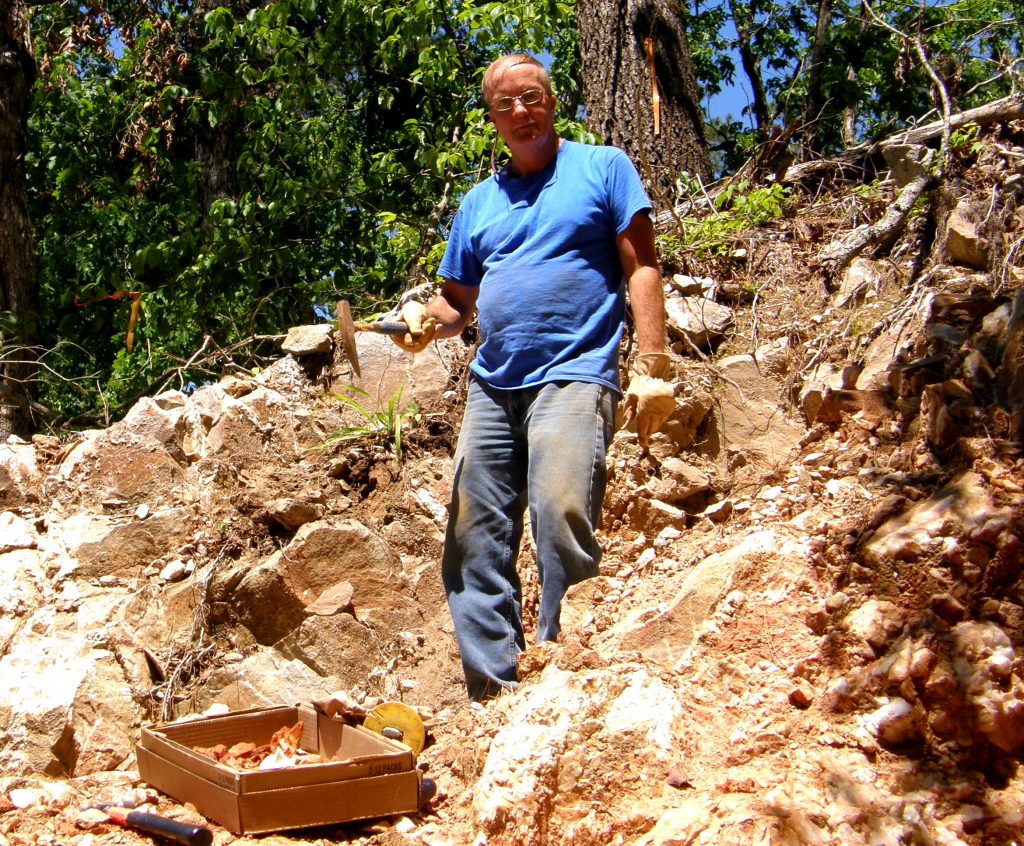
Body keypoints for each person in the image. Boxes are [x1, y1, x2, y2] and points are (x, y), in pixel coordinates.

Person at [391, 53, 676, 701]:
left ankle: (563, 679)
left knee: (561, 511)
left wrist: (654, 364)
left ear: (551, 101)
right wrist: (422, 322)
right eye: (505, 104)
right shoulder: (479, 203)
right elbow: (455, 304)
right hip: (493, 386)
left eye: (531, 97)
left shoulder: (603, 167)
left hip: (575, 373)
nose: (521, 111)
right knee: (472, 536)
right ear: (493, 120)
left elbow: (641, 266)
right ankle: (495, 695)